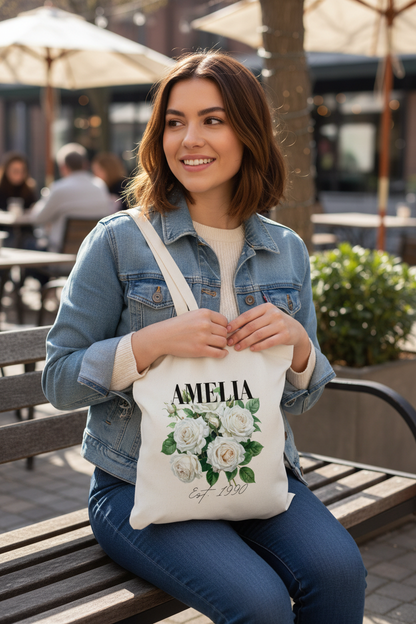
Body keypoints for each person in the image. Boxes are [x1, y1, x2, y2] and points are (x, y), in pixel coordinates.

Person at [42, 52, 366, 623]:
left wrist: (298, 348)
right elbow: (59, 380)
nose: (189, 138)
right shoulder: (119, 241)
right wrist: (151, 343)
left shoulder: (285, 249)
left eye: (213, 120)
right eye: (175, 121)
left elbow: (303, 397)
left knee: (340, 573)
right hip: (136, 484)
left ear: (249, 133)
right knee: (261, 605)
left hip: (258, 471)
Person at [28, 143, 114, 252]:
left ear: (63, 167)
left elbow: (37, 218)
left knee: (25, 244)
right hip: (92, 254)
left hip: (60, 256)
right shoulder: (100, 186)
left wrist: (43, 199)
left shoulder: (59, 188)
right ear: (85, 165)